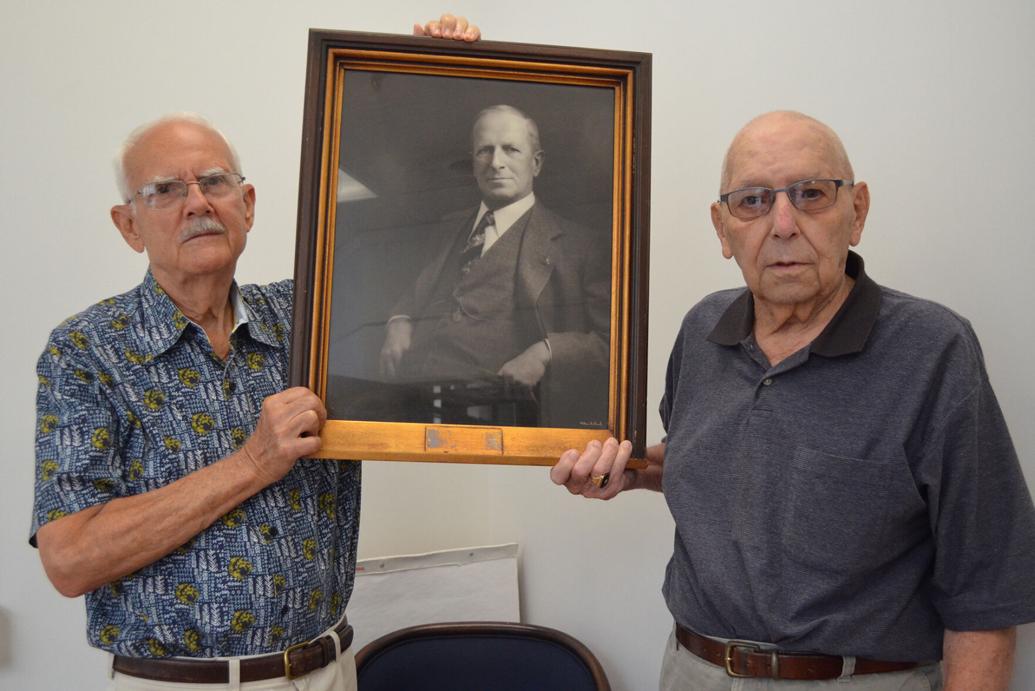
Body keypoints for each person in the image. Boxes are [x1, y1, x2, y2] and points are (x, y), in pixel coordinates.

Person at [30, 16, 478, 691]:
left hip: (330, 670)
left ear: (247, 204)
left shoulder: (314, 314)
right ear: (128, 225)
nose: (196, 203)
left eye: (213, 182)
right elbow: (69, 558)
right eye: (165, 190)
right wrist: (252, 462)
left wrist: (441, 88)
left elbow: (432, 251)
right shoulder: (86, 350)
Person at [551, 111, 1035, 690]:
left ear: (856, 211)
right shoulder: (703, 329)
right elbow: (712, 456)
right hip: (692, 671)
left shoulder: (933, 349)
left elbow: (985, 590)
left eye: (811, 194)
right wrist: (632, 470)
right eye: (752, 201)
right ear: (722, 226)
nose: (782, 224)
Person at [378, 104, 611, 428]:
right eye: (484, 151)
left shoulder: (581, 245)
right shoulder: (448, 228)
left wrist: (545, 352)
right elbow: (418, 292)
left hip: (498, 417)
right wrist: (399, 319)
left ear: (537, 163)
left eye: (511, 149)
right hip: (406, 403)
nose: (496, 163)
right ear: (473, 163)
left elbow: (612, 343)